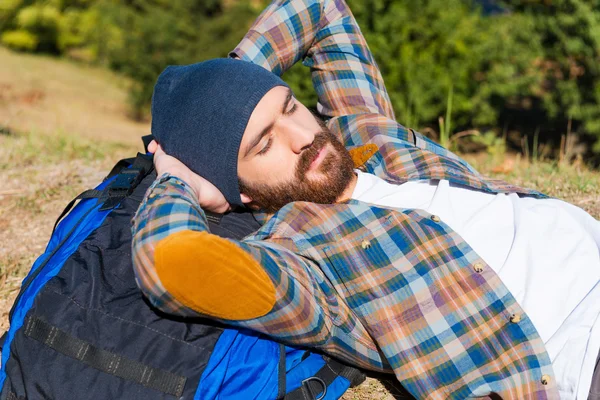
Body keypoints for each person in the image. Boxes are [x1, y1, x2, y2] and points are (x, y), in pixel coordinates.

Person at [131, 0, 600, 398]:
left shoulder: (365, 135)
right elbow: (172, 264)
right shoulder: (302, 257)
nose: (302, 136)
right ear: (241, 189)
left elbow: (319, 8)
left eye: (290, 107)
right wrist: (177, 180)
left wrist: (230, 80)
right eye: (263, 144)